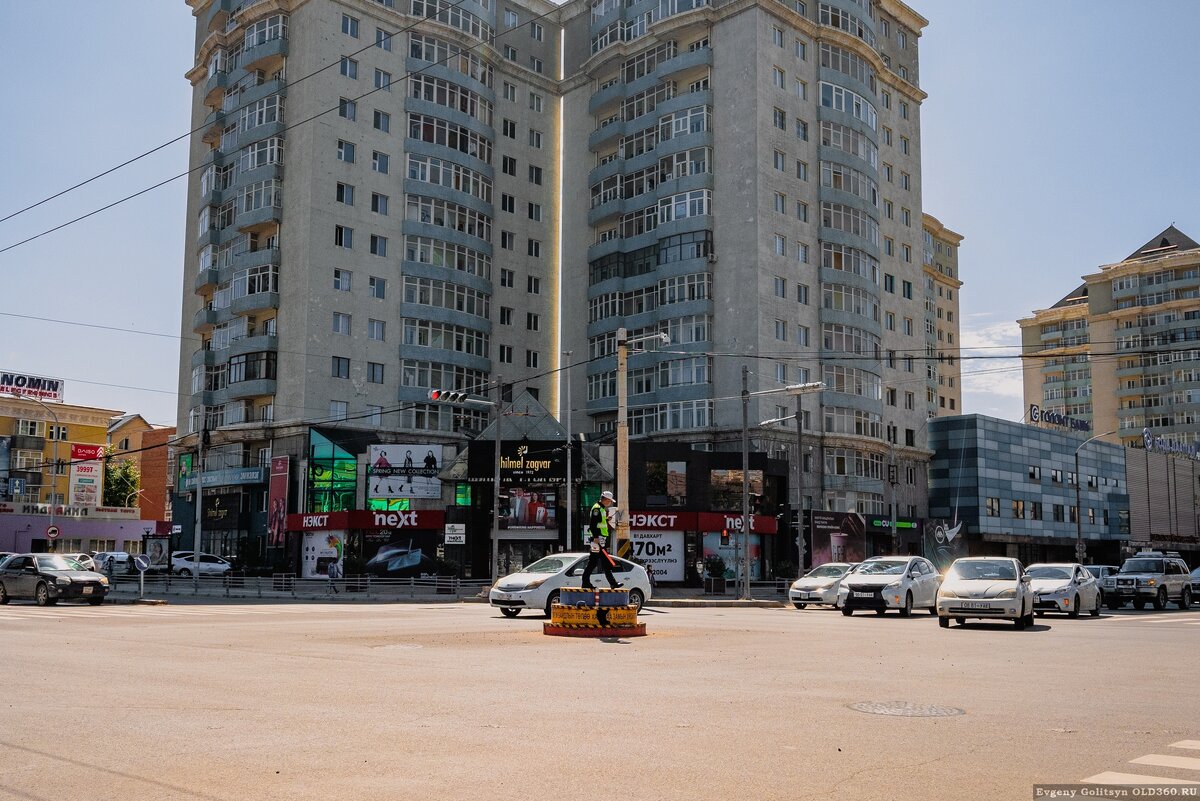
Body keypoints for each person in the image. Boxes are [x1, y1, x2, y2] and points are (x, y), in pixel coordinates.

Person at [582, 491, 620, 590]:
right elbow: (593, 524)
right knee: (606, 561)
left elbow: (599, 522)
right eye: (610, 501)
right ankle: (613, 583)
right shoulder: (597, 509)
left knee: (593, 562)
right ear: (605, 499)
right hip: (598, 539)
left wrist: (607, 519)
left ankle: (586, 582)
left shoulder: (601, 509)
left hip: (599, 539)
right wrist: (595, 538)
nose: (610, 503)